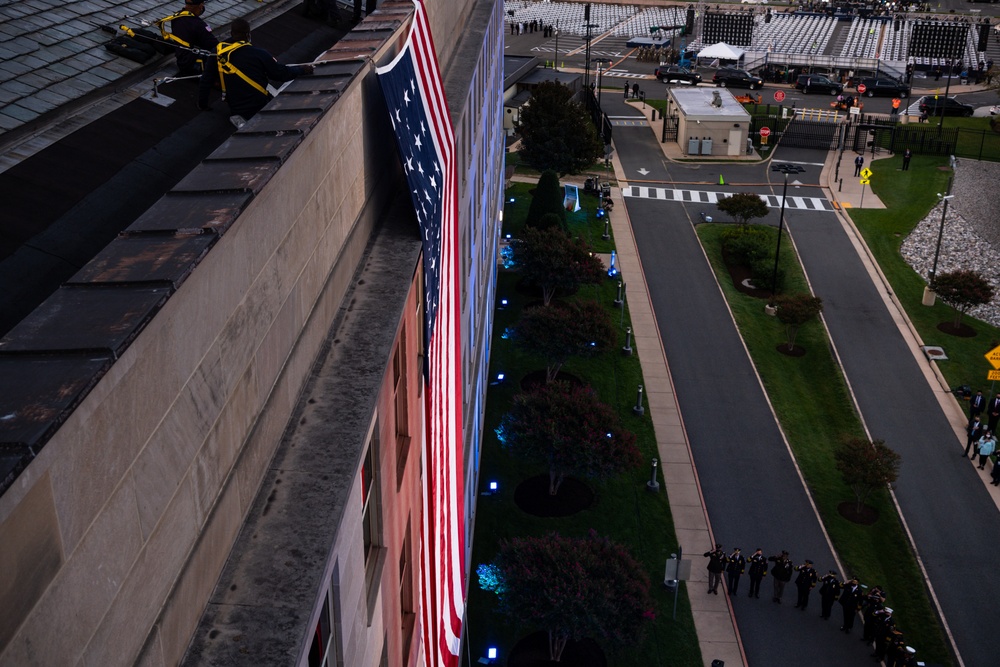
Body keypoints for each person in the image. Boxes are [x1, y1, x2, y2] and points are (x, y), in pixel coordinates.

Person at [199, 19, 315, 126]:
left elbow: (206, 79)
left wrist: (202, 104)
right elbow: (281, 74)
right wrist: (302, 70)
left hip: (236, 108)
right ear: (248, 35)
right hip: (258, 105)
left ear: (232, 33)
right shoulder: (259, 54)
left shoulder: (218, 53)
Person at [164, 0, 218, 77]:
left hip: (182, 61)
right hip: (194, 65)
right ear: (199, 6)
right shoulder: (199, 25)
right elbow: (214, 45)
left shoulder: (176, 17)